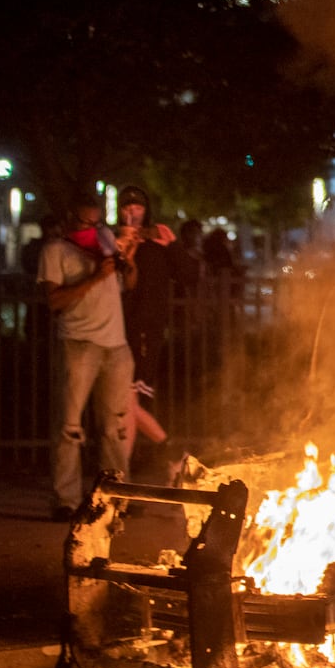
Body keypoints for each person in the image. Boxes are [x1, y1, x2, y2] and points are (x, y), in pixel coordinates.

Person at [36, 192, 136, 521]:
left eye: (97, 222)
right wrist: (95, 276)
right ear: (69, 219)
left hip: (115, 345)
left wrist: (128, 262)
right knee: (69, 426)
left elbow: (129, 283)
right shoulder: (54, 251)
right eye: (85, 223)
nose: (92, 229)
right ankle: (65, 500)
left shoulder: (105, 239)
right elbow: (54, 302)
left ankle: (117, 497)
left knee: (114, 427)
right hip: (78, 343)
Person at [115, 186, 181, 478]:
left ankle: (123, 479)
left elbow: (189, 274)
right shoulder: (112, 241)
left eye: (138, 206)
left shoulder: (157, 244)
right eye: (126, 206)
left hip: (143, 332)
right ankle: (168, 455)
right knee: (123, 405)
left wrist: (172, 244)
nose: (131, 211)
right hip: (114, 330)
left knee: (127, 402)